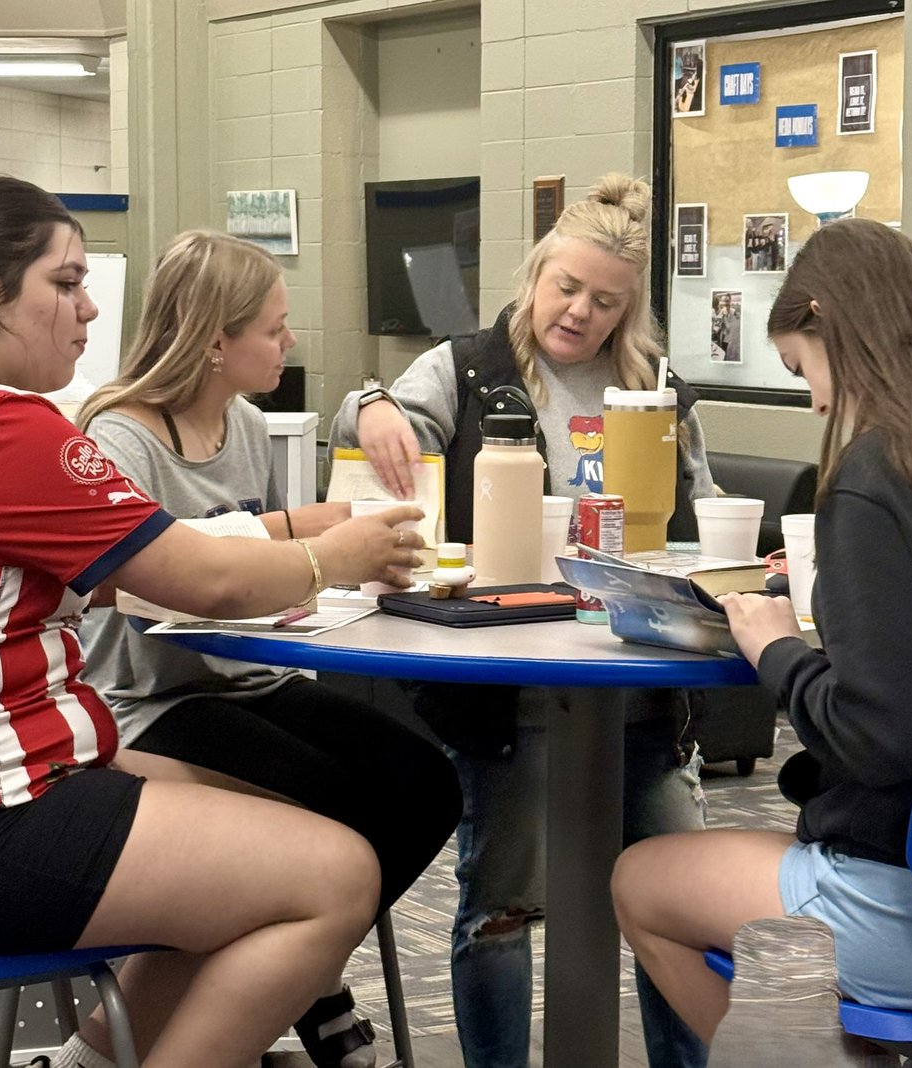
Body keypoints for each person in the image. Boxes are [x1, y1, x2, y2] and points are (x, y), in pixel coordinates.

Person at [0, 175, 428, 1068]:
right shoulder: (0, 429)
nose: (88, 309)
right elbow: (211, 581)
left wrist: (275, 542)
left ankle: (87, 1062)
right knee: (335, 876)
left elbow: (120, 576)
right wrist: (330, 557)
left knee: (272, 819)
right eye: (65, 284)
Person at [611, 217, 912, 1051]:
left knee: (641, 882)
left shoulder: (882, 478)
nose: (816, 401)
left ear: (832, 327)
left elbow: (891, 734)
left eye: (804, 369)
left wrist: (777, 647)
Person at [330, 172, 716, 1068]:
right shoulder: (466, 368)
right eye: (566, 288)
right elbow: (370, 420)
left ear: (629, 312)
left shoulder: (658, 391)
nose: (579, 312)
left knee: (681, 903)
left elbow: (699, 517)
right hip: (511, 695)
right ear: (535, 273)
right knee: (499, 907)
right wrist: (373, 401)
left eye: (605, 302)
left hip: (640, 690)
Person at [74, 229, 463, 1068]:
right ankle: (298, 986)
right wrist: (301, 552)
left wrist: (342, 570)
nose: (290, 344)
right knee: (321, 804)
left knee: (422, 784)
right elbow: (162, 582)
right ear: (216, 341)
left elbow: (274, 572)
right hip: (147, 700)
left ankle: (302, 973)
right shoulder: (117, 439)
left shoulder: (246, 423)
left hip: (248, 681)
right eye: (274, 328)